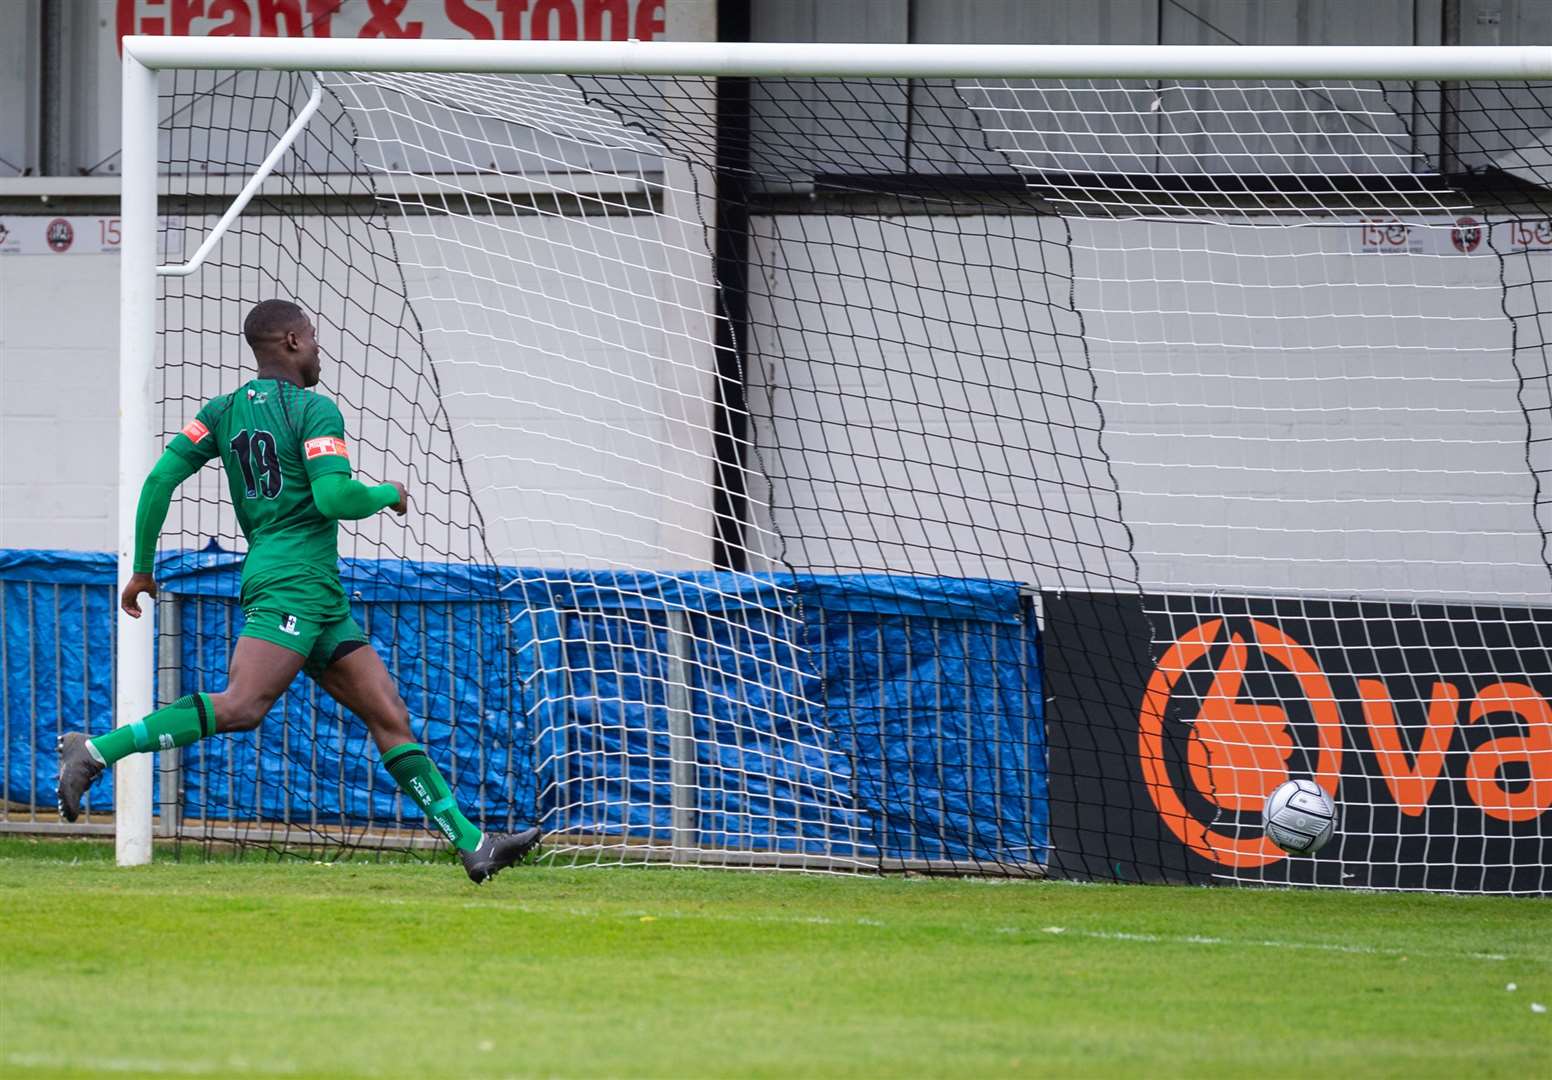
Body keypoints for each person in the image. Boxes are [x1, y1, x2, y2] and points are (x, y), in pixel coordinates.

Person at [57, 299, 539, 884]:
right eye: (311, 337)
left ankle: (473, 844)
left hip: (317, 593)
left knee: (389, 716)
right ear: (290, 340)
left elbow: (160, 478)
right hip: (291, 583)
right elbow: (336, 499)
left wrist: (142, 566)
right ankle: (96, 750)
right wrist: (387, 492)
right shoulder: (313, 409)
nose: (317, 349)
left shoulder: (224, 410)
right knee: (242, 706)